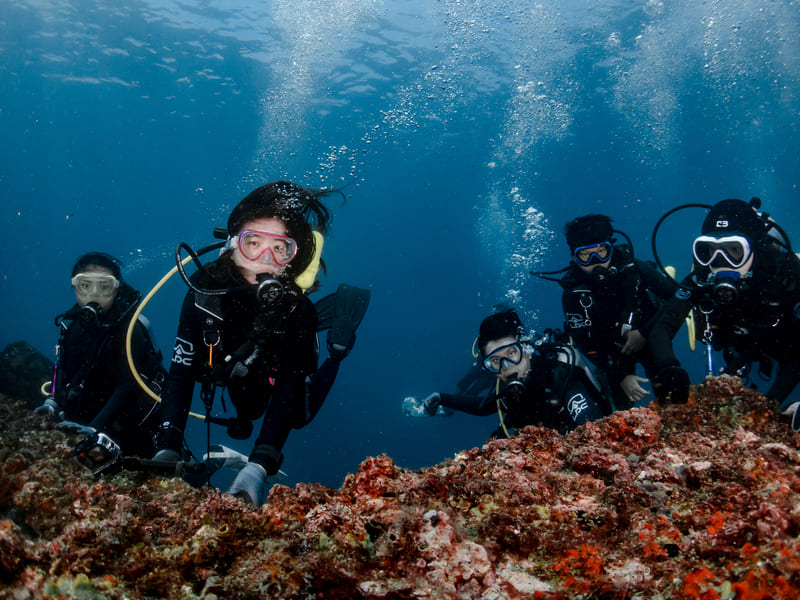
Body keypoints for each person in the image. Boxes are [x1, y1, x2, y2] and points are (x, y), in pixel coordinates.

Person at [152, 181, 368, 505]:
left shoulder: (299, 311)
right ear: (232, 245)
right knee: (237, 402)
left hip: (275, 372)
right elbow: (180, 374)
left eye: (280, 248)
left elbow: (288, 389)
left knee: (299, 413)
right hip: (225, 369)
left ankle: (337, 350)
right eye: (253, 243)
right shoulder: (202, 292)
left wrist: (259, 466)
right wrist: (167, 445)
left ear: (291, 258)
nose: (264, 258)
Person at [648, 198, 800, 423]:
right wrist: (668, 367)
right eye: (709, 251)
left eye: (733, 251)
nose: (721, 261)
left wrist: (769, 406)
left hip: (781, 343)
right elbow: (661, 326)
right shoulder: (701, 279)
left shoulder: (782, 276)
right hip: (737, 346)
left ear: (754, 249)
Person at [34, 252, 165, 470]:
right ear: (74, 287)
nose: (94, 294)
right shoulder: (71, 326)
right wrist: (52, 403)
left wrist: (94, 429)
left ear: (117, 289)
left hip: (130, 431)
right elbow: (62, 368)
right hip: (87, 422)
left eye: (104, 286)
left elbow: (128, 386)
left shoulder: (131, 329)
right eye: (85, 285)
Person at [538, 214, 679, 410]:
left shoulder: (635, 269)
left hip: (649, 335)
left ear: (611, 249)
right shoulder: (573, 293)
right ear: (573, 258)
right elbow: (584, 343)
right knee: (622, 410)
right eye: (585, 255)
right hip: (612, 354)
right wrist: (620, 376)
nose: (596, 262)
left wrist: (644, 332)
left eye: (601, 252)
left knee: (669, 387)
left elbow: (677, 300)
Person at [407, 309, 610, 437]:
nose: (506, 366)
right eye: (495, 361)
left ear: (526, 348)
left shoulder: (559, 376)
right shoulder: (508, 390)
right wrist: (442, 397)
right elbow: (481, 405)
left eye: (511, 353)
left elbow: (591, 428)